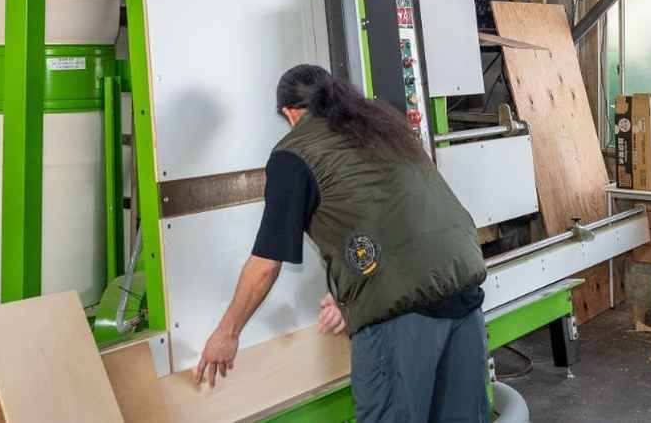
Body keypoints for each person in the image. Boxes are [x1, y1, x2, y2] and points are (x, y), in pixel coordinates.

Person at [195, 64, 489, 422]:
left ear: (289, 113)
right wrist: (351, 290)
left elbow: (266, 264)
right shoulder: (380, 126)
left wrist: (227, 333)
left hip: (401, 319)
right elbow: (392, 214)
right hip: (464, 289)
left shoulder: (293, 154)